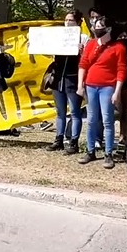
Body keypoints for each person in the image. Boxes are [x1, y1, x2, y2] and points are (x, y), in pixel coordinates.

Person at [77, 16, 127, 169]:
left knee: (107, 120)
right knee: (91, 120)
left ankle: (108, 153)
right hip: (91, 85)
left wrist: (117, 91)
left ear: (108, 29)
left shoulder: (118, 47)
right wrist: (81, 85)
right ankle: (90, 150)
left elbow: (121, 70)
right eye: (95, 26)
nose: (96, 29)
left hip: (107, 87)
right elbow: (83, 64)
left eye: (100, 26)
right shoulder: (91, 44)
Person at [47, 10, 90, 154]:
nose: (67, 23)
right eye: (66, 20)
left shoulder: (83, 38)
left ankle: (73, 142)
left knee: (74, 112)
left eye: (71, 20)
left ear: (78, 22)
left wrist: (81, 51)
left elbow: (87, 60)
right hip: (58, 78)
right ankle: (58, 139)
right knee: (60, 111)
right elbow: (47, 51)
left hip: (73, 78)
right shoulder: (58, 36)